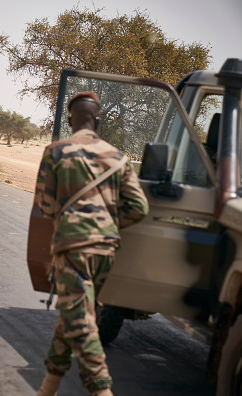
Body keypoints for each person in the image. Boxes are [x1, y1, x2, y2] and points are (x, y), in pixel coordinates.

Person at [34, 91, 149, 396]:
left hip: (72, 248)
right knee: (74, 314)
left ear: (71, 119)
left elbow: (44, 206)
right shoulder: (118, 157)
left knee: (81, 325)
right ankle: (48, 388)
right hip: (105, 251)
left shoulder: (56, 151)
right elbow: (139, 207)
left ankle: (101, 391)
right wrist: (107, 222)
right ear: (97, 120)